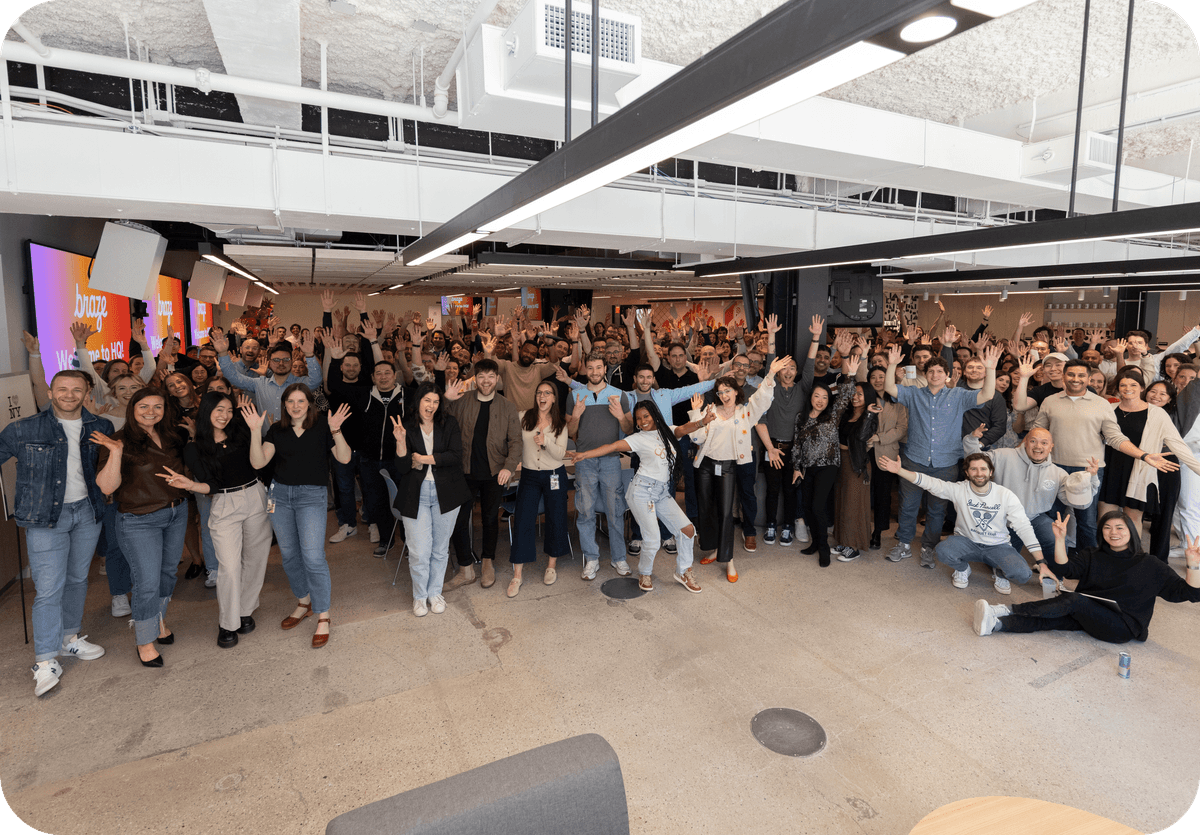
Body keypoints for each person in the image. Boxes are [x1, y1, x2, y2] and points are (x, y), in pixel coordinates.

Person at [0, 370, 110, 695]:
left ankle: (69, 638)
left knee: (77, 579)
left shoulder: (99, 427)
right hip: (45, 518)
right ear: (50, 392)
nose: (69, 395)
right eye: (62, 389)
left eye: (77, 389)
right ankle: (45, 660)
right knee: (49, 589)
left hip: (88, 512)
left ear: (87, 392)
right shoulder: (23, 429)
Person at [974, 511, 1200, 641]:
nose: (1113, 532)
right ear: (1101, 532)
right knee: (1051, 617)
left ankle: (1004, 609)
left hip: (1123, 627)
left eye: (1120, 528)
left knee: (1073, 600)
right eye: (1107, 528)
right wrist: (1060, 540)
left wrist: (1193, 566)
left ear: (1131, 532)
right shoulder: (1093, 554)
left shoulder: (1150, 564)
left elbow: (1189, 593)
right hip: (1090, 613)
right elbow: (1064, 570)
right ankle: (996, 625)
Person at [244, 385, 352, 648]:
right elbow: (258, 463)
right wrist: (255, 431)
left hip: (311, 496)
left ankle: (323, 615)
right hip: (279, 497)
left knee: (313, 556)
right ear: (284, 404)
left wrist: (336, 429)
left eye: (300, 400)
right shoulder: (276, 430)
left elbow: (344, 458)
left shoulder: (322, 427)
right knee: (289, 555)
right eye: (290, 401)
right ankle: (304, 602)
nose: (295, 405)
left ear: (308, 403)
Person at [170, 392, 277, 649]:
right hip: (224, 503)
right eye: (219, 409)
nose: (224, 415)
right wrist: (192, 485)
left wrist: (254, 431)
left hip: (255, 495)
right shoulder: (194, 447)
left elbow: (259, 463)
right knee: (229, 566)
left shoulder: (240, 432)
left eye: (229, 410)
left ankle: (245, 610)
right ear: (206, 411)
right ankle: (227, 623)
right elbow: (212, 485)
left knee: (256, 558)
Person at [93, 387, 188, 668]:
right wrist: (116, 454)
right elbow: (107, 487)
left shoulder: (171, 436)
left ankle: (158, 621)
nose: (151, 412)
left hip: (175, 513)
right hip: (138, 520)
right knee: (146, 583)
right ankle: (145, 641)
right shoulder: (117, 441)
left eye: (157, 406)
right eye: (143, 406)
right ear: (132, 409)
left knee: (168, 573)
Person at [884, 343, 1000, 567]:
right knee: (908, 505)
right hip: (914, 459)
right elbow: (890, 388)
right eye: (930, 371)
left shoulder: (958, 395)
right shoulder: (913, 394)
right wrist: (892, 365)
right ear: (925, 374)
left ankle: (929, 546)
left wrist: (991, 369)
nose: (935, 374)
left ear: (948, 375)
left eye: (940, 371)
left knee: (937, 509)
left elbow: (987, 394)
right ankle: (905, 543)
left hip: (945, 462)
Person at [569, 399, 703, 593]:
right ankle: (645, 572)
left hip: (662, 492)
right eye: (638, 419)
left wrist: (702, 421)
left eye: (645, 416)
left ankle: (683, 571)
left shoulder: (667, 431)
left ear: (654, 414)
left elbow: (683, 429)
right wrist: (584, 455)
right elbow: (613, 446)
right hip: (641, 492)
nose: (642, 421)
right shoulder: (638, 438)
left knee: (687, 530)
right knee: (653, 539)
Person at [878, 452, 1045, 592]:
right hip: (966, 542)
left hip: (997, 546)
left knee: (1023, 574)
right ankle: (963, 569)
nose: (979, 473)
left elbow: (1024, 527)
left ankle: (999, 571)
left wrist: (1041, 562)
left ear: (991, 471)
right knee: (942, 551)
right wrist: (899, 471)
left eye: (983, 469)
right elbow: (929, 482)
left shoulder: (1005, 495)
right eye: (974, 469)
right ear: (967, 472)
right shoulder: (959, 489)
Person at [690, 357, 787, 581]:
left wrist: (771, 374)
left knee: (725, 513)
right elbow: (696, 437)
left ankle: (728, 559)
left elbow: (763, 400)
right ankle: (714, 549)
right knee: (707, 509)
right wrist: (697, 415)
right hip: (705, 465)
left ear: (736, 392)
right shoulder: (710, 410)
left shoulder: (745, 412)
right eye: (720, 391)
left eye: (727, 391)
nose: (724, 395)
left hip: (726, 467)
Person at [963, 426, 1099, 571]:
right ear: (1025, 442)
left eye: (1044, 443)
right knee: (1002, 567)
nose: (1038, 446)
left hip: (1034, 517)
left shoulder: (1058, 473)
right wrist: (972, 440)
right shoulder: (1002, 456)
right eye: (1033, 441)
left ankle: (1056, 576)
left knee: (1056, 538)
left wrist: (1089, 479)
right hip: (1004, 519)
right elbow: (974, 462)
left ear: (1051, 447)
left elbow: (1078, 503)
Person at [441, 359, 522, 592]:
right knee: (459, 520)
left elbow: (515, 441)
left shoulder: (507, 406)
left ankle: (488, 562)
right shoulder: (462, 401)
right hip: (464, 471)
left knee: (489, 519)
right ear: (474, 379)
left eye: (491, 376)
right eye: (481, 376)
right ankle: (465, 568)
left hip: (494, 472)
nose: (486, 381)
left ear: (497, 379)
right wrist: (446, 399)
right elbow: (441, 420)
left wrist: (509, 465)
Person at [390, 383, 470, 617]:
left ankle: (435, 592)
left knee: (440, 549)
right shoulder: (406, 425)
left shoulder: (449, 423)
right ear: (418, 402)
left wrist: (423, 459)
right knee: (418, 551)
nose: (431, 406)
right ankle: (419, 596)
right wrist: (401, 442)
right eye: (427, 401)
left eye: (435, 401)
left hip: (447, 493)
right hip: (416, 495)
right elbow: (403, 467)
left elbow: (455, 456)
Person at [1097, 369, 1200, 530]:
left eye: (1133, 384)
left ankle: (1133, 555)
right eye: (1123, 385)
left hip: (1139, 470)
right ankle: (1104, 555)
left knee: (1132, 520)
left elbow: (1178, 445)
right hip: (1111, 468)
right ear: (1117, 388)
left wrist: (1198, 469)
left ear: (1142, 388)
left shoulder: (1157, 413)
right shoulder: (1109, 408)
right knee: (1104, 519)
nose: (1127, 388)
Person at [791, 356, 860, 566]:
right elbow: (796, 445)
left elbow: (846, 395)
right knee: (807, 506)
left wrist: (852, 375)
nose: (820, 400)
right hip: (807, 467)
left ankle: (823, 548)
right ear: (811, 397)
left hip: (828, 466)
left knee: (818, 506)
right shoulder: (801, 418)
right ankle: (814, 542)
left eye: (824, 397)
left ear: (828, 400)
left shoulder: (832, 416)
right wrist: (796, 468)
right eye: (817, 396)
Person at [509, 380, 572, 593]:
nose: (542, 396)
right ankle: (517, 575)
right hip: (529, 475)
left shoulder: (560, 423)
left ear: (554, 398)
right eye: (539, 393)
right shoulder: (523, 417)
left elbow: (561, 454)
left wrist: (546, 442)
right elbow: (514, 441)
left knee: (556, 517)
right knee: (523, 519)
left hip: (554, 474)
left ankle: (551, 566)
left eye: (547, 393)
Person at [865, 365, 907, 550]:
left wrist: (879, 438)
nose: (877, 380)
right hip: (865, 452)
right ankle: (861, 528)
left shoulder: (899, 401)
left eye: (881, 376)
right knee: (864, 494)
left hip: (887, 453)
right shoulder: (865, 399)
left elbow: (902, 428)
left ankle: (878, 533)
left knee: (883, 495)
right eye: (873, 377)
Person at [832, 381, 874, 561]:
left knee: (854, 505)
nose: (855, 397)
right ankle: (843, 540)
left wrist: (870, 414)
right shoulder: (847, 413)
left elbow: (863, 436)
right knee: (841, 501)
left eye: (860, 394)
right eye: (854, 393)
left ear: (868, 397)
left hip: (856, 463)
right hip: (840, 461)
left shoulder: (870, 415)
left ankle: (854, 546)